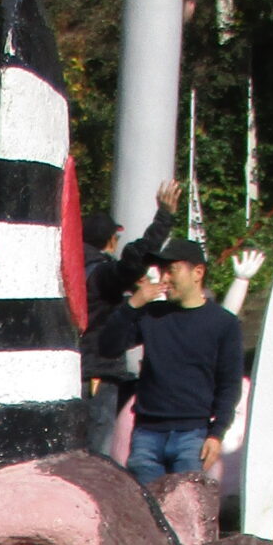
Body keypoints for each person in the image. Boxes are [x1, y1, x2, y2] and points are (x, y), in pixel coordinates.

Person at [97, 224, 244, 485]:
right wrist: (132, 305)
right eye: (162, 270)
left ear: (197, 272)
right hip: (147, 432)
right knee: (147, 505)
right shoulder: (153, 315)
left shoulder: (223, 323)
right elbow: (108, 347)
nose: (164, 278)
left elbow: (229, 383)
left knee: (186, 504)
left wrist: (217, 433)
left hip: (193, 434)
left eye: (172, 270)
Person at [79, 186, 178, 458]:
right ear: (111, 241)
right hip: (96, 374)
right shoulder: (100, 274)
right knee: (95, 458)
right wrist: (164, 218)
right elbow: (134, 261)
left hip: (73, 371)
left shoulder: (69, 270)